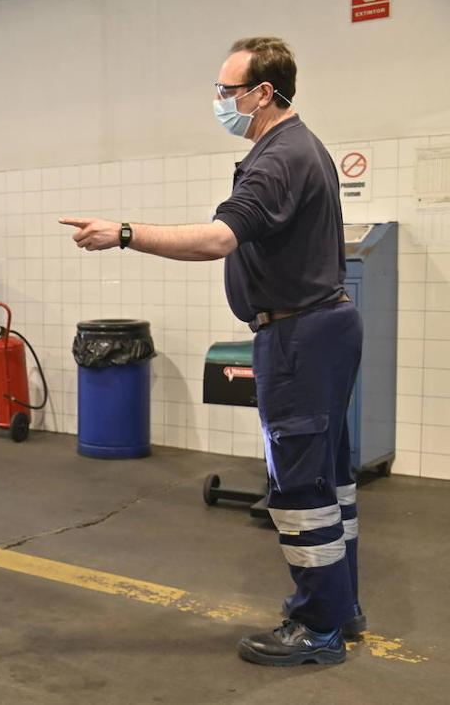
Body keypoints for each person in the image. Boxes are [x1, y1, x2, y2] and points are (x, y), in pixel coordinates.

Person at [60, 37, 363, 667]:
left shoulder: (279, 157)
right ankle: (340, 605)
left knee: (301, 485)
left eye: (227, 91)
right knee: (330, 476)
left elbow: (218, 241)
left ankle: (319, 628)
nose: (219, 101)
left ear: (263, 94)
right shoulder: (295, 147)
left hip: (300, 335)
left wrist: (123, 234)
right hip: (321, 326)